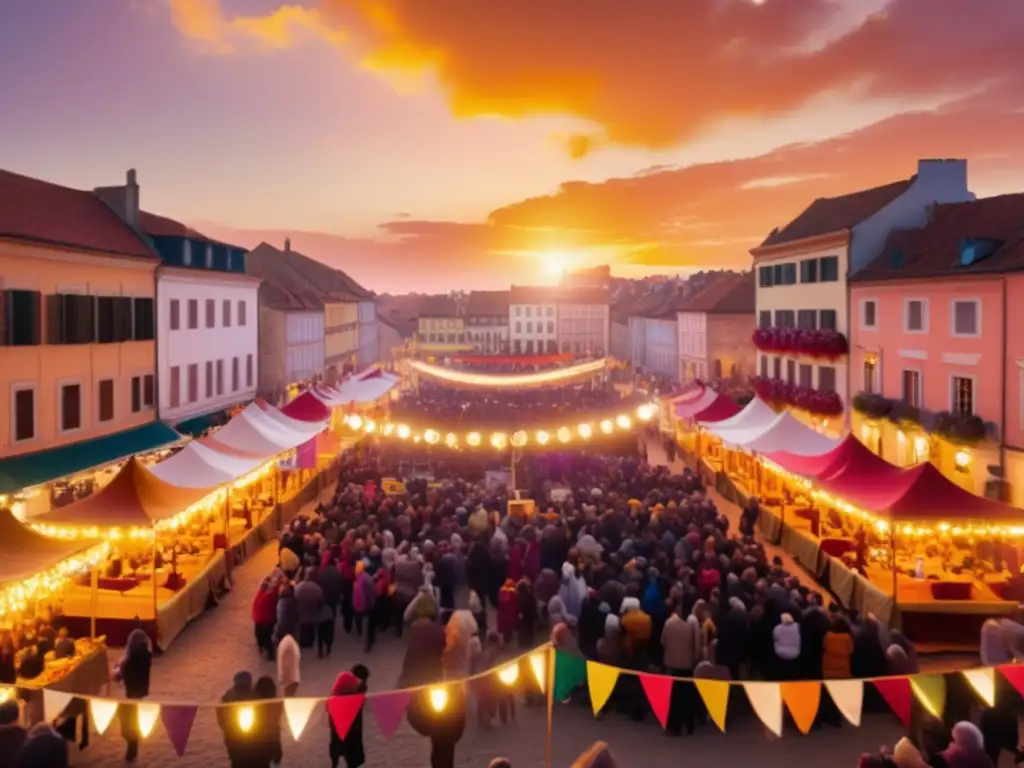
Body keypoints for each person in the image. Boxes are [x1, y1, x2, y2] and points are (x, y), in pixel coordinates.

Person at [114, 628, 151, 763]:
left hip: (131, 694)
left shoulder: (128, 662)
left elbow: (118, 676)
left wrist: (118, 666)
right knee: (133, 721)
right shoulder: (147, 656)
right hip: (141, 692)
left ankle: (132, 749)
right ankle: (133, 748)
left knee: (127, 724)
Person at [328, 665, 369, 768]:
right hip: (349, 722)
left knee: (336, 743)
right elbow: (358, 701)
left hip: (336, 717)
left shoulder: (343, 677)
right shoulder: (350, 680)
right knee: (350, 748)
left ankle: (334, 763)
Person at [218, 671, 254, 768]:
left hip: (233, 738)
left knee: (237, 762)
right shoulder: (253, 695)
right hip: (247, 739)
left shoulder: (227, 697)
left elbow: (221, 718)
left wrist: (226, 731)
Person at [253, 676, 283, 768]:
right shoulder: (276, 706)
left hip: (254, 747)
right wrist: (278, 752)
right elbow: (275, 731)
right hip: (268, 746)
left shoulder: (253, 705)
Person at [252, 576, 279, 662]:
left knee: (263, 636)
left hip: (261, 619)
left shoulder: (264, 594)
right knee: (266, 637)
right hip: (265, 619)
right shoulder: (270, 595)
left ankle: (267, 651)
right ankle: (268, 651)